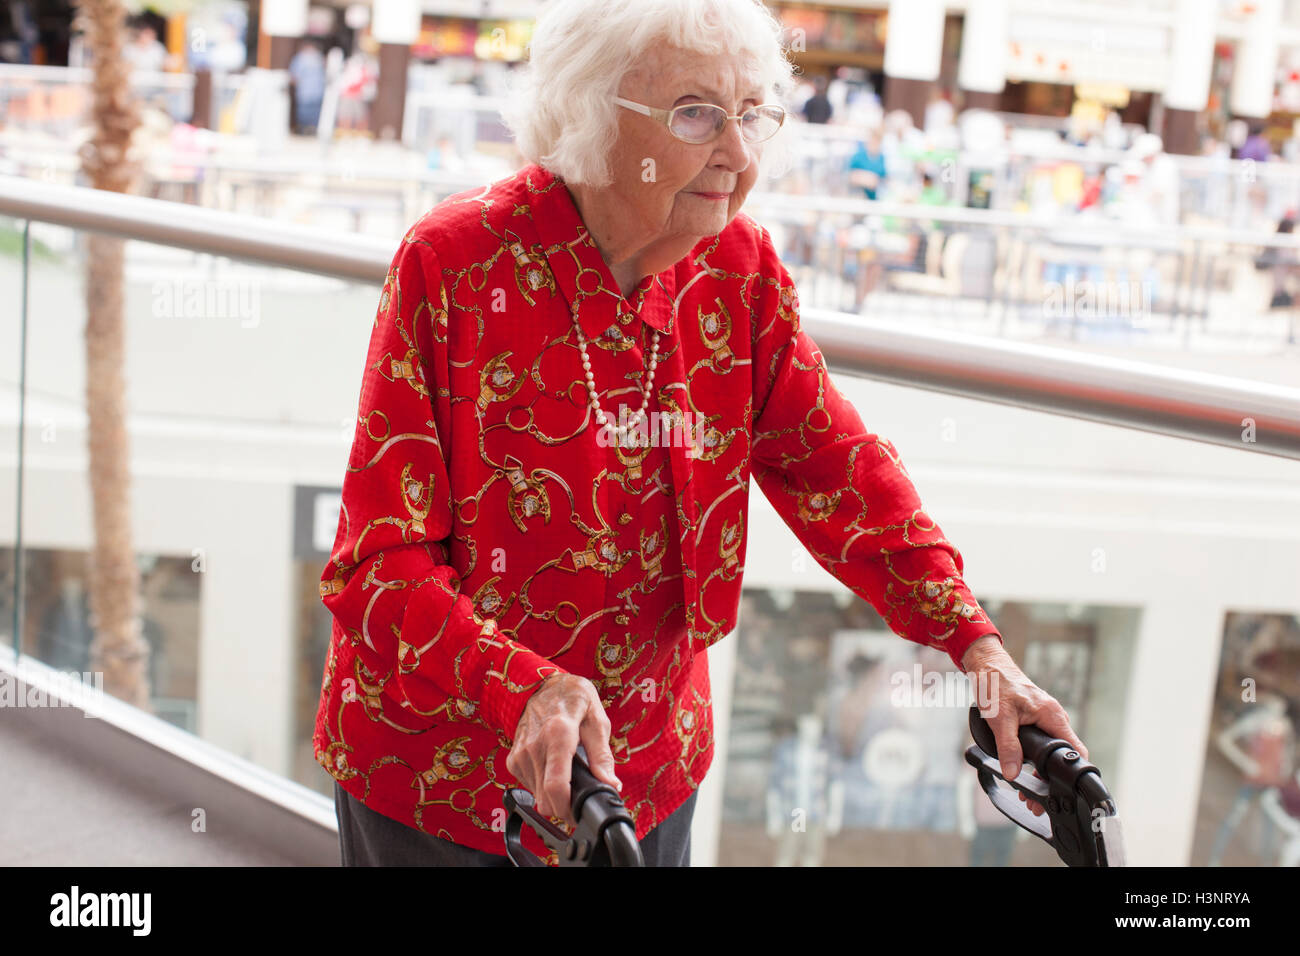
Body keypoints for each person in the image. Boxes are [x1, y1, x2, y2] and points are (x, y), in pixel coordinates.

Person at [314, 0, 1090, 867]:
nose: (740, 152)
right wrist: (522, 689)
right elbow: (378, 565)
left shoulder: (739, 268)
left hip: (647, 773)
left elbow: (836, 470)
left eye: (752, 114)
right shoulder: (454, 263)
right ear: (591, 114)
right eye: (696, 115)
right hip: (444, 776)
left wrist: (975, 644)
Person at [288, 40, 325, 134]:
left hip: (305, 92)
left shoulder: (300, 58)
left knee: (304, 113)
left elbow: (294, 76)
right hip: (318, 91)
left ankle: (304, 130)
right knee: (315, 113)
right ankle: (313, 129)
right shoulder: (319, 57)